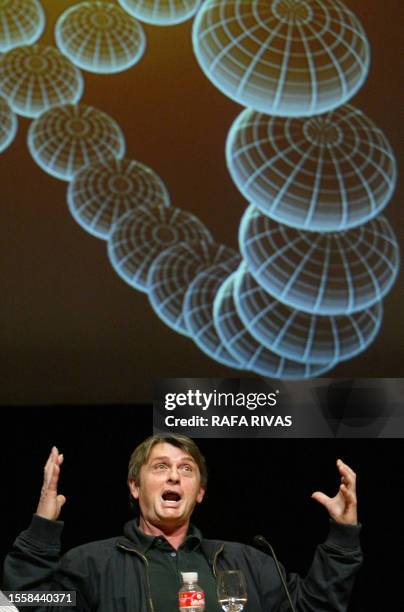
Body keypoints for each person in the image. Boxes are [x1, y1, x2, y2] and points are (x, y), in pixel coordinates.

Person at [3, 435, 362, 611]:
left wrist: (343, 537)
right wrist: (41, 529)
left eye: (186, 469)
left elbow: (315, 608)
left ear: (200, 492)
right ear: (135, 486)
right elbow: (18, 603)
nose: (174, 476)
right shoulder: (91, 565)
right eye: (160, 467)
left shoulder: (247, 563)